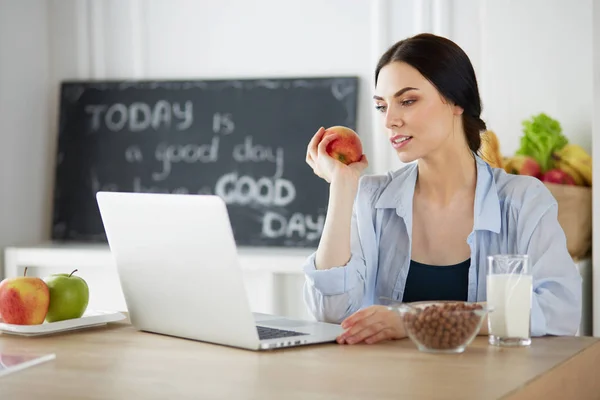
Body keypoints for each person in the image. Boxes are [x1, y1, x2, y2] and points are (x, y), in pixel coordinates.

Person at [302, 33, 582, 345]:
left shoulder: (523, 200)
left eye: (407, 101)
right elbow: (331, 313)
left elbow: (560, 311)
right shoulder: (371, 199)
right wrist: (342, 188)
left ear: (457, 101)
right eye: (382, 106)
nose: (390, 121)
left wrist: (413, 319)